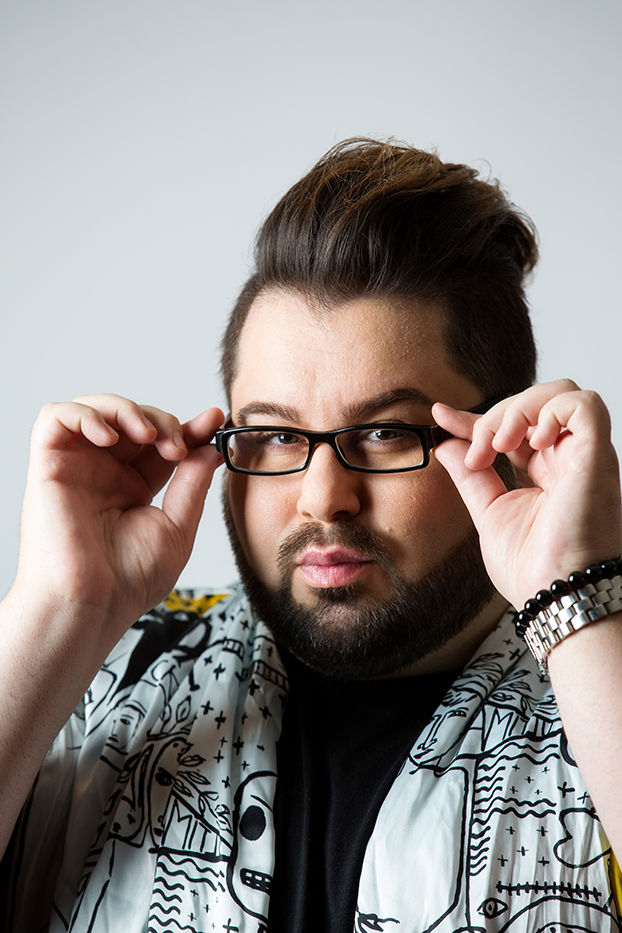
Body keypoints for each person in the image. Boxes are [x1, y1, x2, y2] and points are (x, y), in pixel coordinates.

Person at [1, 139, 622, 933]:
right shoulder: (98, 677)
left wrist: (574, 590)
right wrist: (59, 605)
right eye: (274, 436)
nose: (323, 498)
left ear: (505, 442)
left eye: (386, 433)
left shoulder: (601, 677)